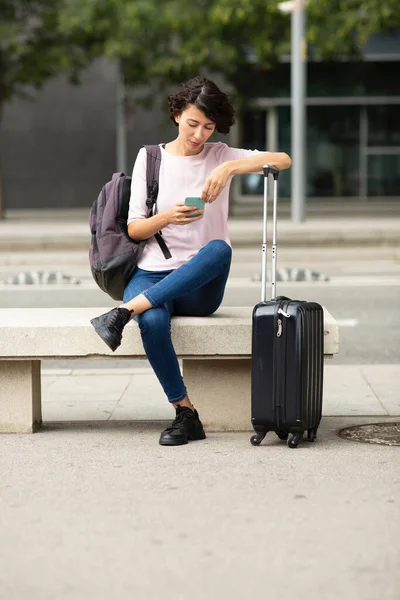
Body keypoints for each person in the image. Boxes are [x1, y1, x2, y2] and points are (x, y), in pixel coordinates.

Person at [91, 76, 291, 446]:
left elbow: (283, 160)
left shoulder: (220, 155)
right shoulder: (150, 158)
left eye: (209, 127)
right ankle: (186, 414)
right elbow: (135, 229)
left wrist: (229, 168)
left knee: (219, 250)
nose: (199, 134)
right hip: (152, 270)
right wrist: (167, 217)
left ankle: (124, 311)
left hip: (200, 285)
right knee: (151, 319)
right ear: (177, 114)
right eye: (193, 123)